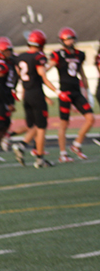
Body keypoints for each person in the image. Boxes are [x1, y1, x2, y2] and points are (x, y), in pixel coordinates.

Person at [13, 30, 58, 168]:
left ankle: (23, 145)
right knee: (42, 127)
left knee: (33, 126)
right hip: (36, 94)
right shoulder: (39, 56)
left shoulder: (21, 56)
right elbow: (42, 76)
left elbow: (20, 72)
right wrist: (57, 91)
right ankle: (37, 157)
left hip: (27, 94)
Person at [49, 27, 94, 162]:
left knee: (90, 118)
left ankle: (76, 144)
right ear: (62, 41)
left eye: (71, 38)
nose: (70, 41)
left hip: (76, 91)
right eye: (67, 39)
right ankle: (63, 154)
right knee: (64, 123)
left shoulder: (80, 54)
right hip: (65, 92)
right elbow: (47, 67)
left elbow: (82, 74)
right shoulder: (58, 54)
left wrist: (86, 92)